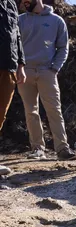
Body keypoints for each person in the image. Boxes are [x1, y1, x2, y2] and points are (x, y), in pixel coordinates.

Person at [17, 0, 76, 160]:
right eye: (22, 1)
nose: (24, 3)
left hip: (47, 72)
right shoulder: (20, 20)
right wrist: (18, 67)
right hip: (25, 72)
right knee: (31, 112)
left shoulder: (56, 21)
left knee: (54, 110)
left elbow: (63, 47)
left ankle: (62, 149)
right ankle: (38, 149)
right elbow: (14, 46)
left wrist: (54, 68)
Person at [0, 0, 26, 176]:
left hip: (9, 66)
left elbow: (16, 35)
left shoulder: (12, 4)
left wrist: (21, 65)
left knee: (0, 114)